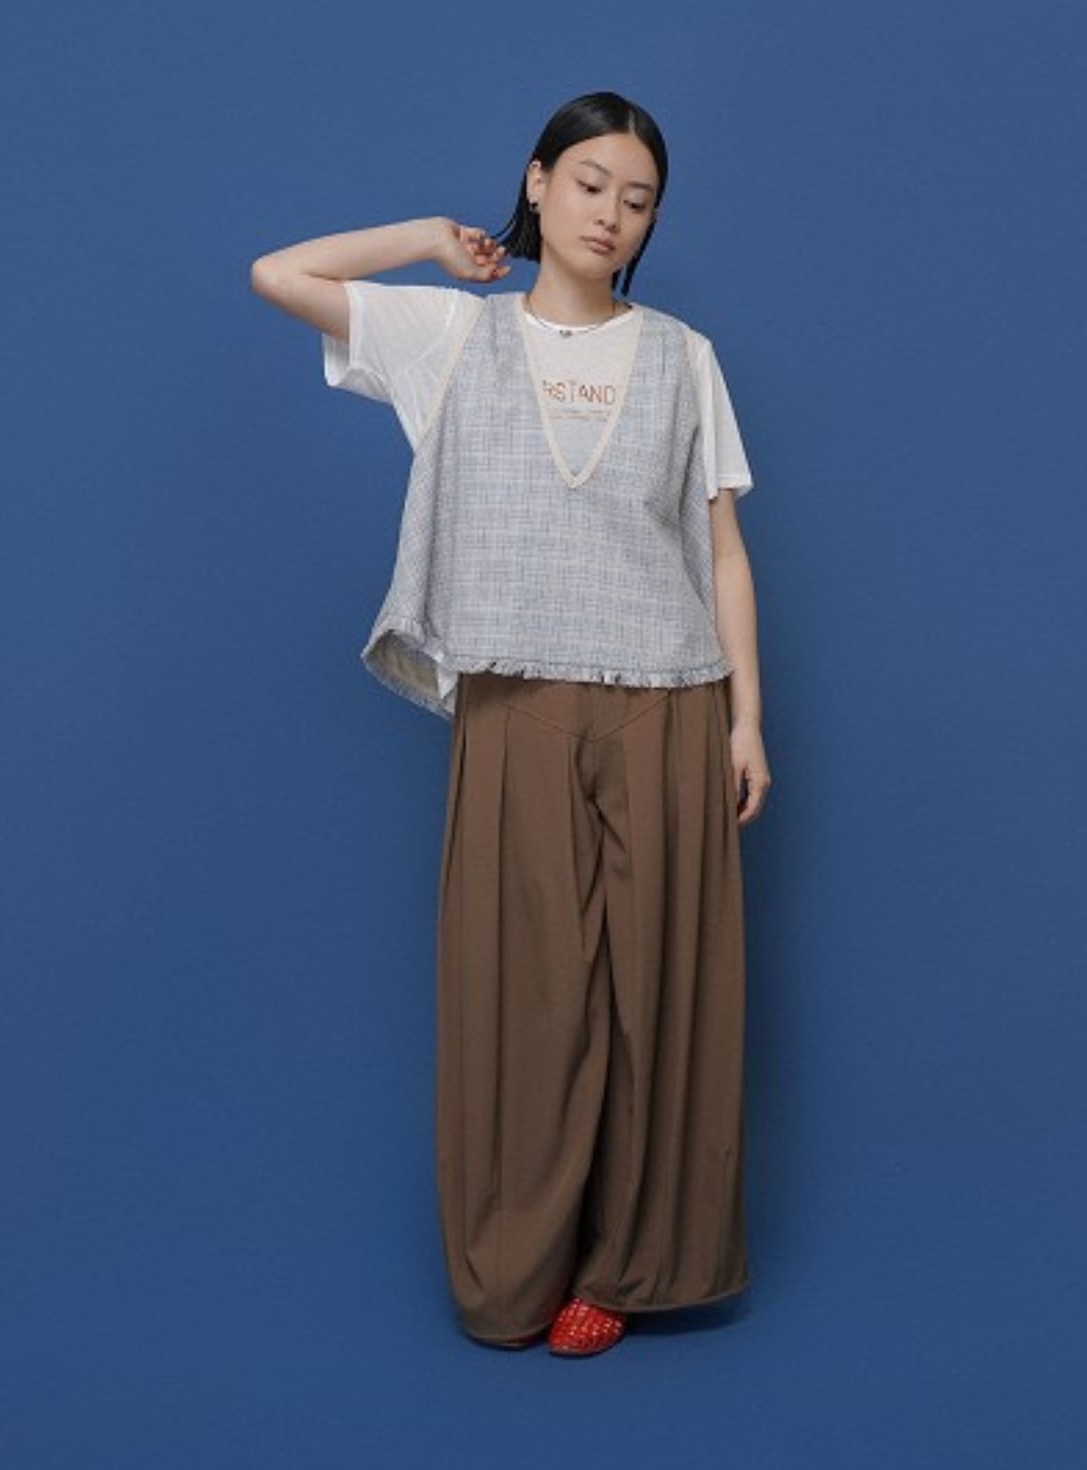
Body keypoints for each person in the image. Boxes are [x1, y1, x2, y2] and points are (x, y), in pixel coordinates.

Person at [250, 90, 771, 1358]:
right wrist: (428, 239)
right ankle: (514, 1265)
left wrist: (747, 722)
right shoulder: (452, 337)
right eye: (589, 184)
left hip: (668, 700)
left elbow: (721, 547)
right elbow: (280, 274)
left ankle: (634, 1267)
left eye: (638, 199)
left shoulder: (684, 355)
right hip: (516, 702)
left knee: (659, 996)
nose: (612, 215)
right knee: (524, 994)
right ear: (538, 184)